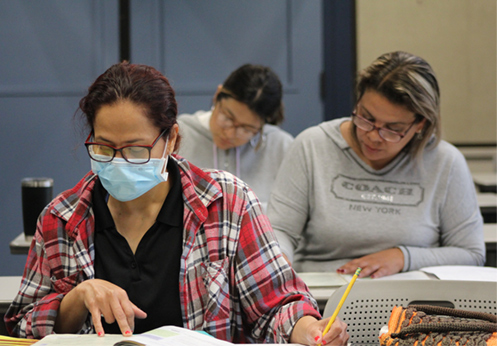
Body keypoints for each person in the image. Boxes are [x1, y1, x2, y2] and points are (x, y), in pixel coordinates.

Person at [4, 62, 348, 345]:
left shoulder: (227, 202)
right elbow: (20, 327)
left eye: (137, 149)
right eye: (104, 148)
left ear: (172, 140)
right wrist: (76, 299)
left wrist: (306, 329)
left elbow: (276, 303)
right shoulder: (61, 220)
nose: (119, 162)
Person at [267, 51, 486, 278]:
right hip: (320, 294)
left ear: (420, 124)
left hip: (411, 301)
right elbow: (279, 230)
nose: (373, 136)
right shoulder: (312, 146)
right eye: (366, 118)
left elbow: (471, 253)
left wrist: (403, 257)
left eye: (393, 129)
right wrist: (278, 259)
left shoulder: (445, 162)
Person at [176, 64, 294, 210]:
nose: (230, 134)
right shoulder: (178, 135)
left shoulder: (281, 146)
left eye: (246, 129)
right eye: (227, 117)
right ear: (217, 95)